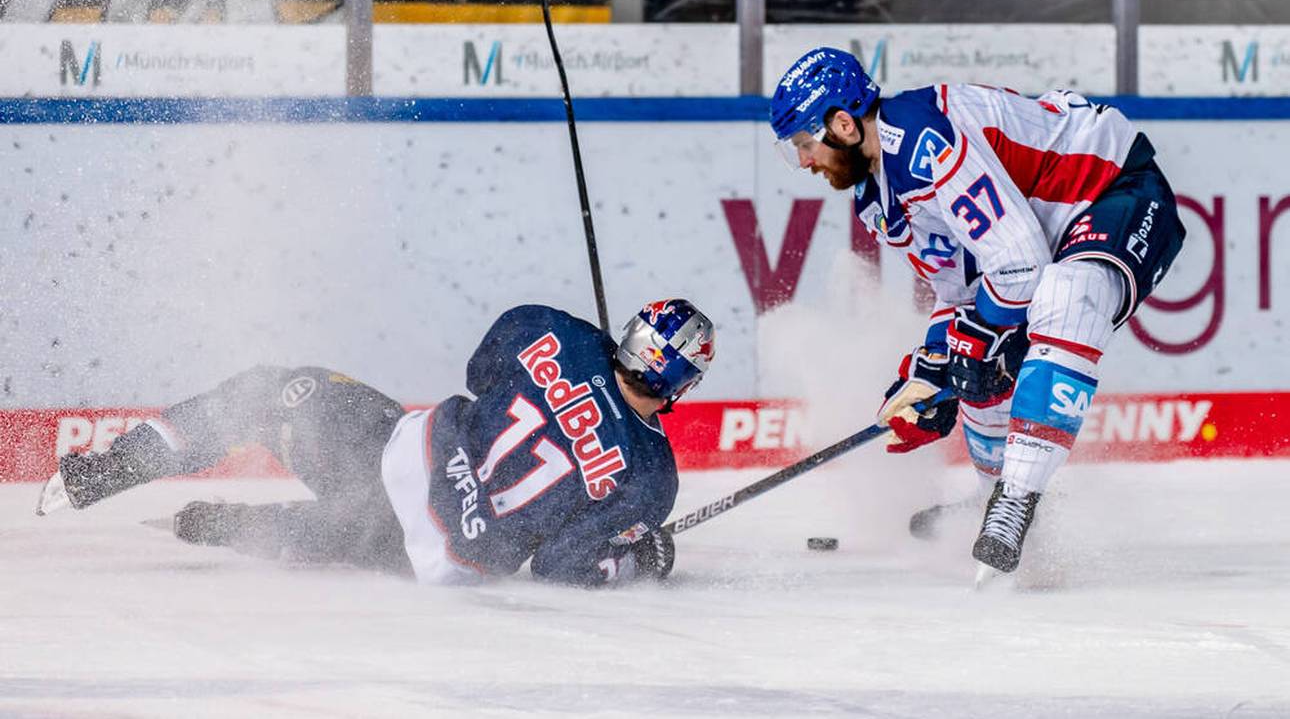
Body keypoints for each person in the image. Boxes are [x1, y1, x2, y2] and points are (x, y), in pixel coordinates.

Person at [768, 48, 1186, 573]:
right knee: (977, 368)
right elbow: (963, 290)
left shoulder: (924, 139)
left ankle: (1016, 500)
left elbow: (1020, 264)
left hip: (1114, 189)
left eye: (806, 144)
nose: (805, 161)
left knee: (1063, 298)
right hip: (1048, 235)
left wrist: (967, 345)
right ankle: (996, 492)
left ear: (844, 124)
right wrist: (926, 375)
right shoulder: (876, 199)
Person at [36, 299, 716, 587]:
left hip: (392, 454)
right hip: (427, 555)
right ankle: (215, 524)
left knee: (271, 391)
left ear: (631, 333)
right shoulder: (652, 478)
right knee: (302, 533)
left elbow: (479, 370)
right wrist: (644, 556)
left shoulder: (560, 334)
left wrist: (580, 365)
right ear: (684, 382)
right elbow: (565, 567)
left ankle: (113, 470)